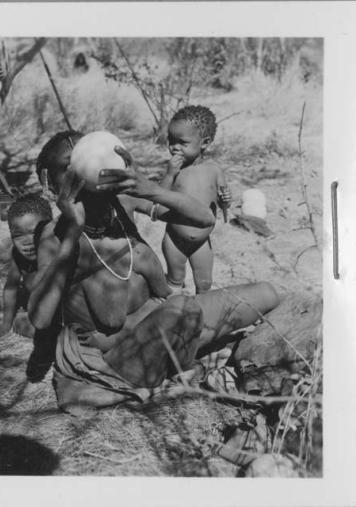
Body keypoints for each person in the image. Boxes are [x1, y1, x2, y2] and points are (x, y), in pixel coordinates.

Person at [27, 137, 280, 414]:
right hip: (121, 359)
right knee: (180, 307)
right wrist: (72, 236)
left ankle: (182, 359)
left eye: (90, 159)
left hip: (172, 325)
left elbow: (204, 220)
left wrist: (149, 189)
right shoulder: (56, 235)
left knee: (267, 293)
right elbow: (40, 317)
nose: (86, 171)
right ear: (50, 185)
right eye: (71, 167)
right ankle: (185, 369)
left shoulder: (121, 203)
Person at [160, 105, 232, 294]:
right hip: (174, 239)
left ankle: (202, 316)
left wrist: (226, 201)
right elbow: (158, 198)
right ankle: (171, 313)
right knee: (174, 281)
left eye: (182, 143)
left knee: (205, 283)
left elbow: (224, 208)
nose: (174, 147)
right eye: (171, 140)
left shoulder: (214, 171)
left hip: (202, 242)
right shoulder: (174, 170)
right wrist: (169, 175)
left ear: (204, 143)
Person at [0, 194, 59, 382]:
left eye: (34, 232)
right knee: (20, 324)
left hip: (68, 317)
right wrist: (5, 325)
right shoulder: (18, 256)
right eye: (17, 235)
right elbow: (10, 288)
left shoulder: (61, 251)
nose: (26, 241)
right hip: (42, 319)